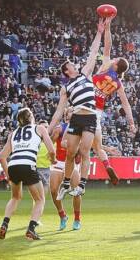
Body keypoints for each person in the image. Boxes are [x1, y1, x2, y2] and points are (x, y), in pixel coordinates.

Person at [48, 18, 106, 199]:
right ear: (67, 71)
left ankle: (81, 185)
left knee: (85, 151)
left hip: (90, 117)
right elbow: (59, 111)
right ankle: (66, 184)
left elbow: (93, 51)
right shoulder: (65, 88)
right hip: (76, 118)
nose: (75, 64)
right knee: (71, 153)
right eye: (71, 65)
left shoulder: (85, 74)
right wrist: (49, 129)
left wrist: (99, 32)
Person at [0, 108, 55, 240]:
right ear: (31, 117)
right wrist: (53, 159)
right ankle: (31, 229)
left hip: (13, 165)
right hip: (28, 164)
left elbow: (1, 157)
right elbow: (51, 150)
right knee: (40, 200)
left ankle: (4, 224)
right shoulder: (39, 128)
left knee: (15, 198)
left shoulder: (13, 133)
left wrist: (8, 175)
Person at [91, 17, 136, 185]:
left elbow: (107, 46)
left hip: (85, 102)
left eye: (116, 59)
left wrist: (107, 27)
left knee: (72, 139)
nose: (114, 58)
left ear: (116, 65)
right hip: (98, 112)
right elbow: (126, 105)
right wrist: (131, 123)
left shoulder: (105, 67)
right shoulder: (118, 83)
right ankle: (107, 165)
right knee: (98, 147)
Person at [50, 108, 82, 231]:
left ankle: (77, 219)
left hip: (72, 163)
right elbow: (49, 142)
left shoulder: (81, 130)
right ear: (66, 115)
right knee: (53, 191)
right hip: (58, 162)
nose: (72, 114)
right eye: (70, 112)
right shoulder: (60, 128)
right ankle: (62, 216)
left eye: (74, 112)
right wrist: (51, 154)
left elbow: (89, 144)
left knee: (76, 191)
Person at [36, 119, 52, 193]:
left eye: (46, 127)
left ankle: (41, 202)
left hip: (46, 168)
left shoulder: (51, 141)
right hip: (35, 168)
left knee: (45, 185)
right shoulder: (35, 141)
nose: (45, 129)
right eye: (43, 127)